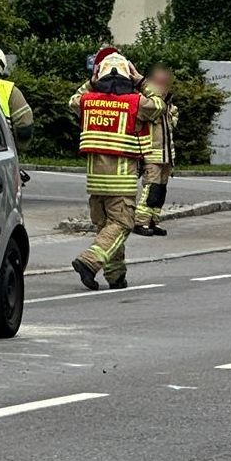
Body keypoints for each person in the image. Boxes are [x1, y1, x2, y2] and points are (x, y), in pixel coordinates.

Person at [68, 52, 163, 291]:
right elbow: (159, 104)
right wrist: (141, 80)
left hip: (95, 183)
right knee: (122, 225)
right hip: (120, 182)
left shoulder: (88, 100)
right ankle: (89, 262)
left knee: (108, 229)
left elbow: (73, 100)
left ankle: (116, 277)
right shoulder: (134, 102)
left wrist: (92, 80)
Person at [133, 64, 178, 237]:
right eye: (159, 82)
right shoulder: (149, 104)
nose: (164, 87)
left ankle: (153, 220)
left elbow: (172, 125)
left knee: (160, 191)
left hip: (166, 155)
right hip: (152, 153)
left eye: (165, 83)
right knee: (151, 189)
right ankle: (141, 222)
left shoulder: (168, 105)